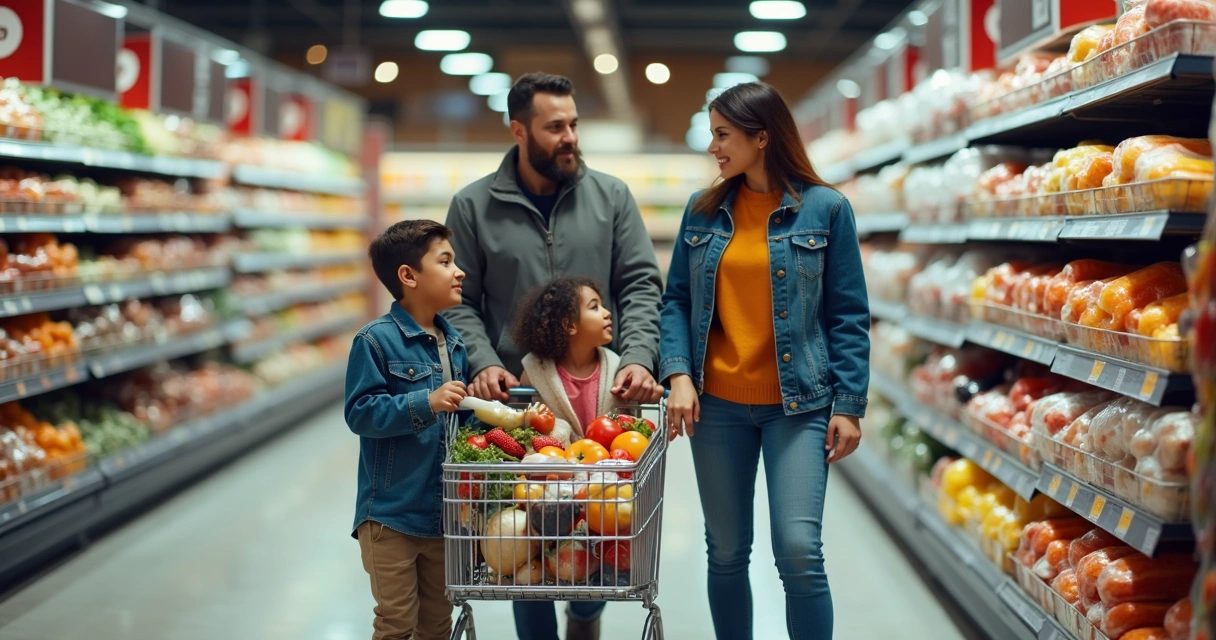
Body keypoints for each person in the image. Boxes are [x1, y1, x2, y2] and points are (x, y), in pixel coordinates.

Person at [444, 72, 663, 640]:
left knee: (599, 533)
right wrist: (482, 360)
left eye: (573, 124)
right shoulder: (473, 206)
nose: (569, 137)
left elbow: (640, 284)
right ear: (519, 130)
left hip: (603, 401)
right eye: (554, 127)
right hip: (521, 404)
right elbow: (458, 301)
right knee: (523, 539)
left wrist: (638, 355)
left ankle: (586, 616)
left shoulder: (610, 196)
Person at [659, 82, 870, 639]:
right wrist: (678, 373)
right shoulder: (702, 212)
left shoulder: (826, 209)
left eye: (723, 135)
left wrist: (849, 404)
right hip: (718, 406)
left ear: (761, 137)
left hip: (799, 406)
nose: (713, 148)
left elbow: (848, 314)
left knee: (799, 551)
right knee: (726, 550)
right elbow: (676, 300)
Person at [344, 219, 470, 640]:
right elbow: (361, 412)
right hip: (390, 516)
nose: (459, 271)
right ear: (408, 275)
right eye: (446, 261)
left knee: (436, 624)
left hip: (442, 516)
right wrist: (426, 402)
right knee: (397, 622)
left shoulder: (455, 344)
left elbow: (460, 421)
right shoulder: (375, 341)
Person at [513, 276, 664, 439]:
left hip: (610, 460)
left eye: (602, 306)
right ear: (570, 325)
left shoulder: (617, 371)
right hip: (556, 461)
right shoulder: (534, 373)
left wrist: (653, 391)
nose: (607, 313)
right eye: (594, 307)